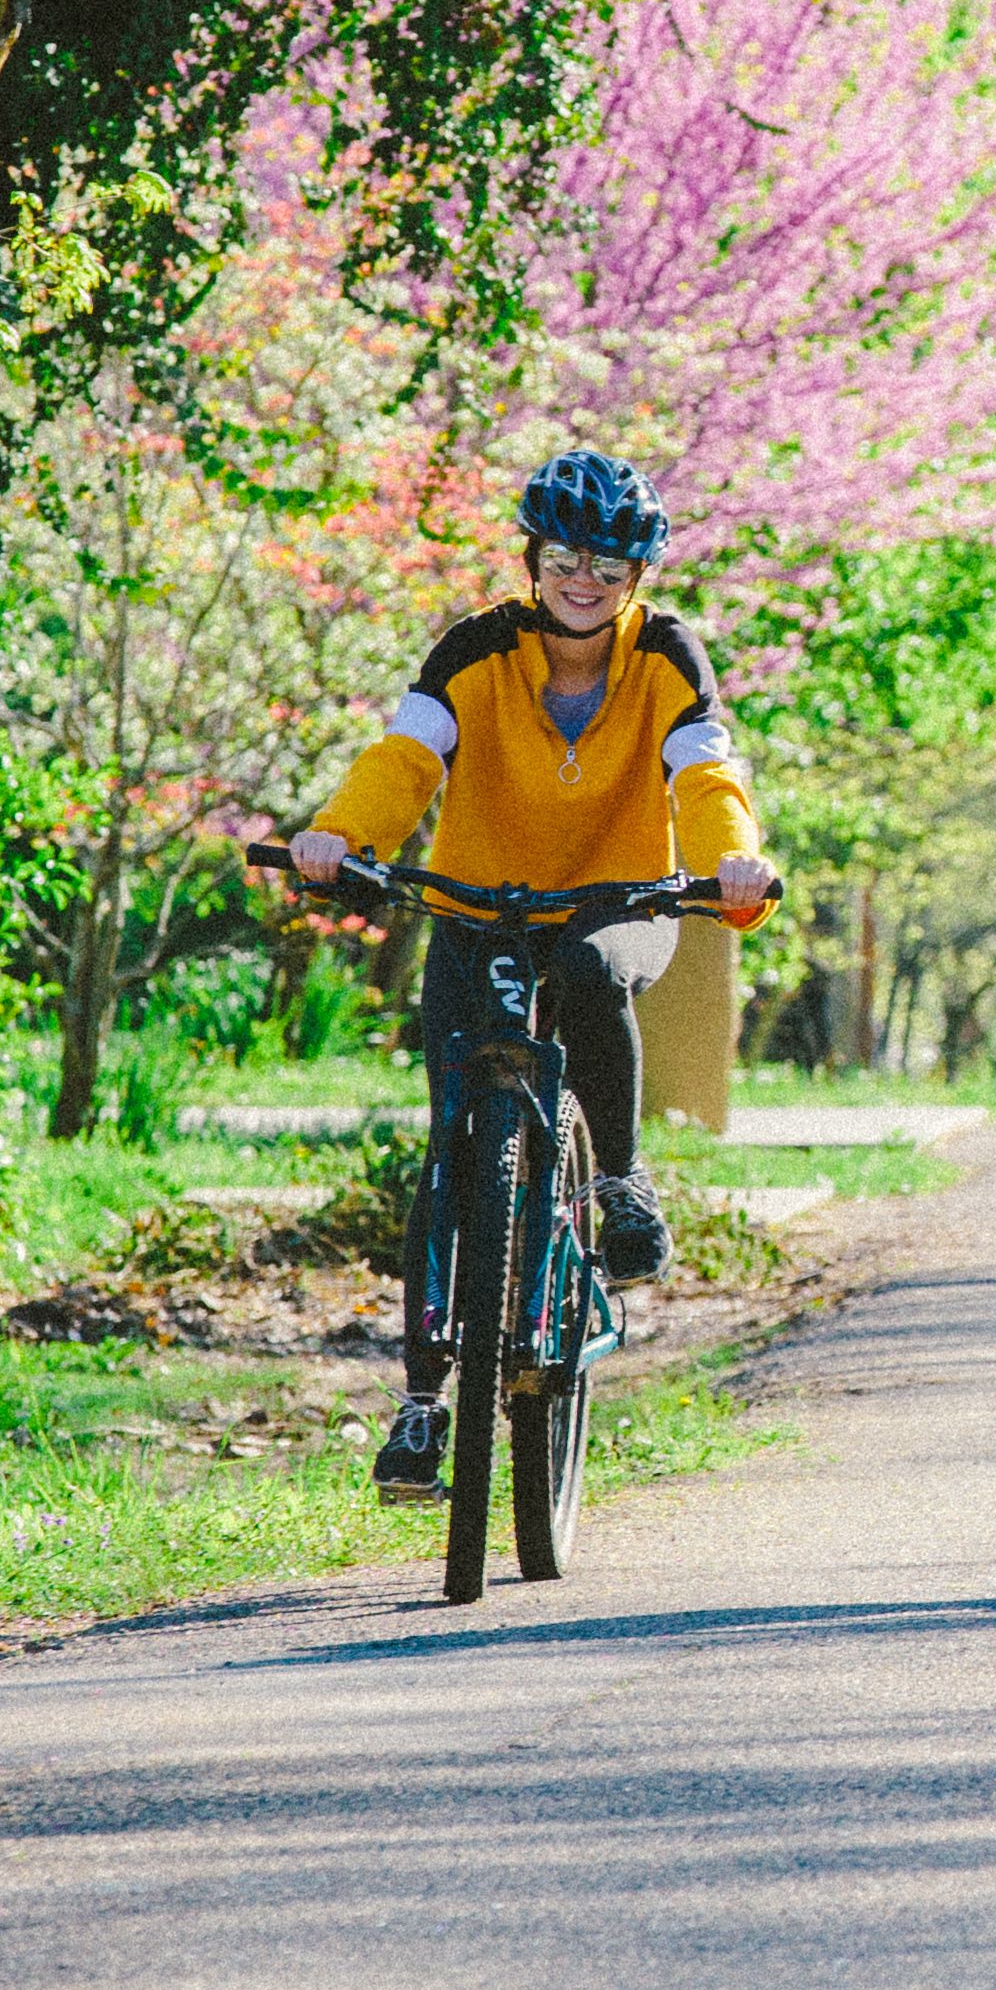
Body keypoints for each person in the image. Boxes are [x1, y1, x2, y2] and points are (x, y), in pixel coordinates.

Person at [288, 449, 781, 1496]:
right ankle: (422, 1406)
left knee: (596, 978)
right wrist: (337, 837)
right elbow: (406, 760)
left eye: (609, 559)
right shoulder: (476, 650)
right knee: (451, 1150)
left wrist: (731, 856)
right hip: (479, 911)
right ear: (532, 557)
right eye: (566, 554)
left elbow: (705, 770)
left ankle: (618, 1181)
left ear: (638, 573)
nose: (585, 576)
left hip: (621, 906)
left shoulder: (668, 658)